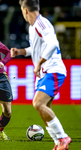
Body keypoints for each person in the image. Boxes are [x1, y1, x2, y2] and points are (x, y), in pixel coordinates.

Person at [10, 0, 71, 149]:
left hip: (53, 69)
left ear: (25, 11)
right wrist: (21, 52)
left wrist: (39, 63)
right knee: (44, 109)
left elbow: (53, 44)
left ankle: (63, 137)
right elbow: (38, 47)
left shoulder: (42, 23)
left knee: (38, 103)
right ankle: (58, 144)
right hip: (45, 72)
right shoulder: (34, 26)